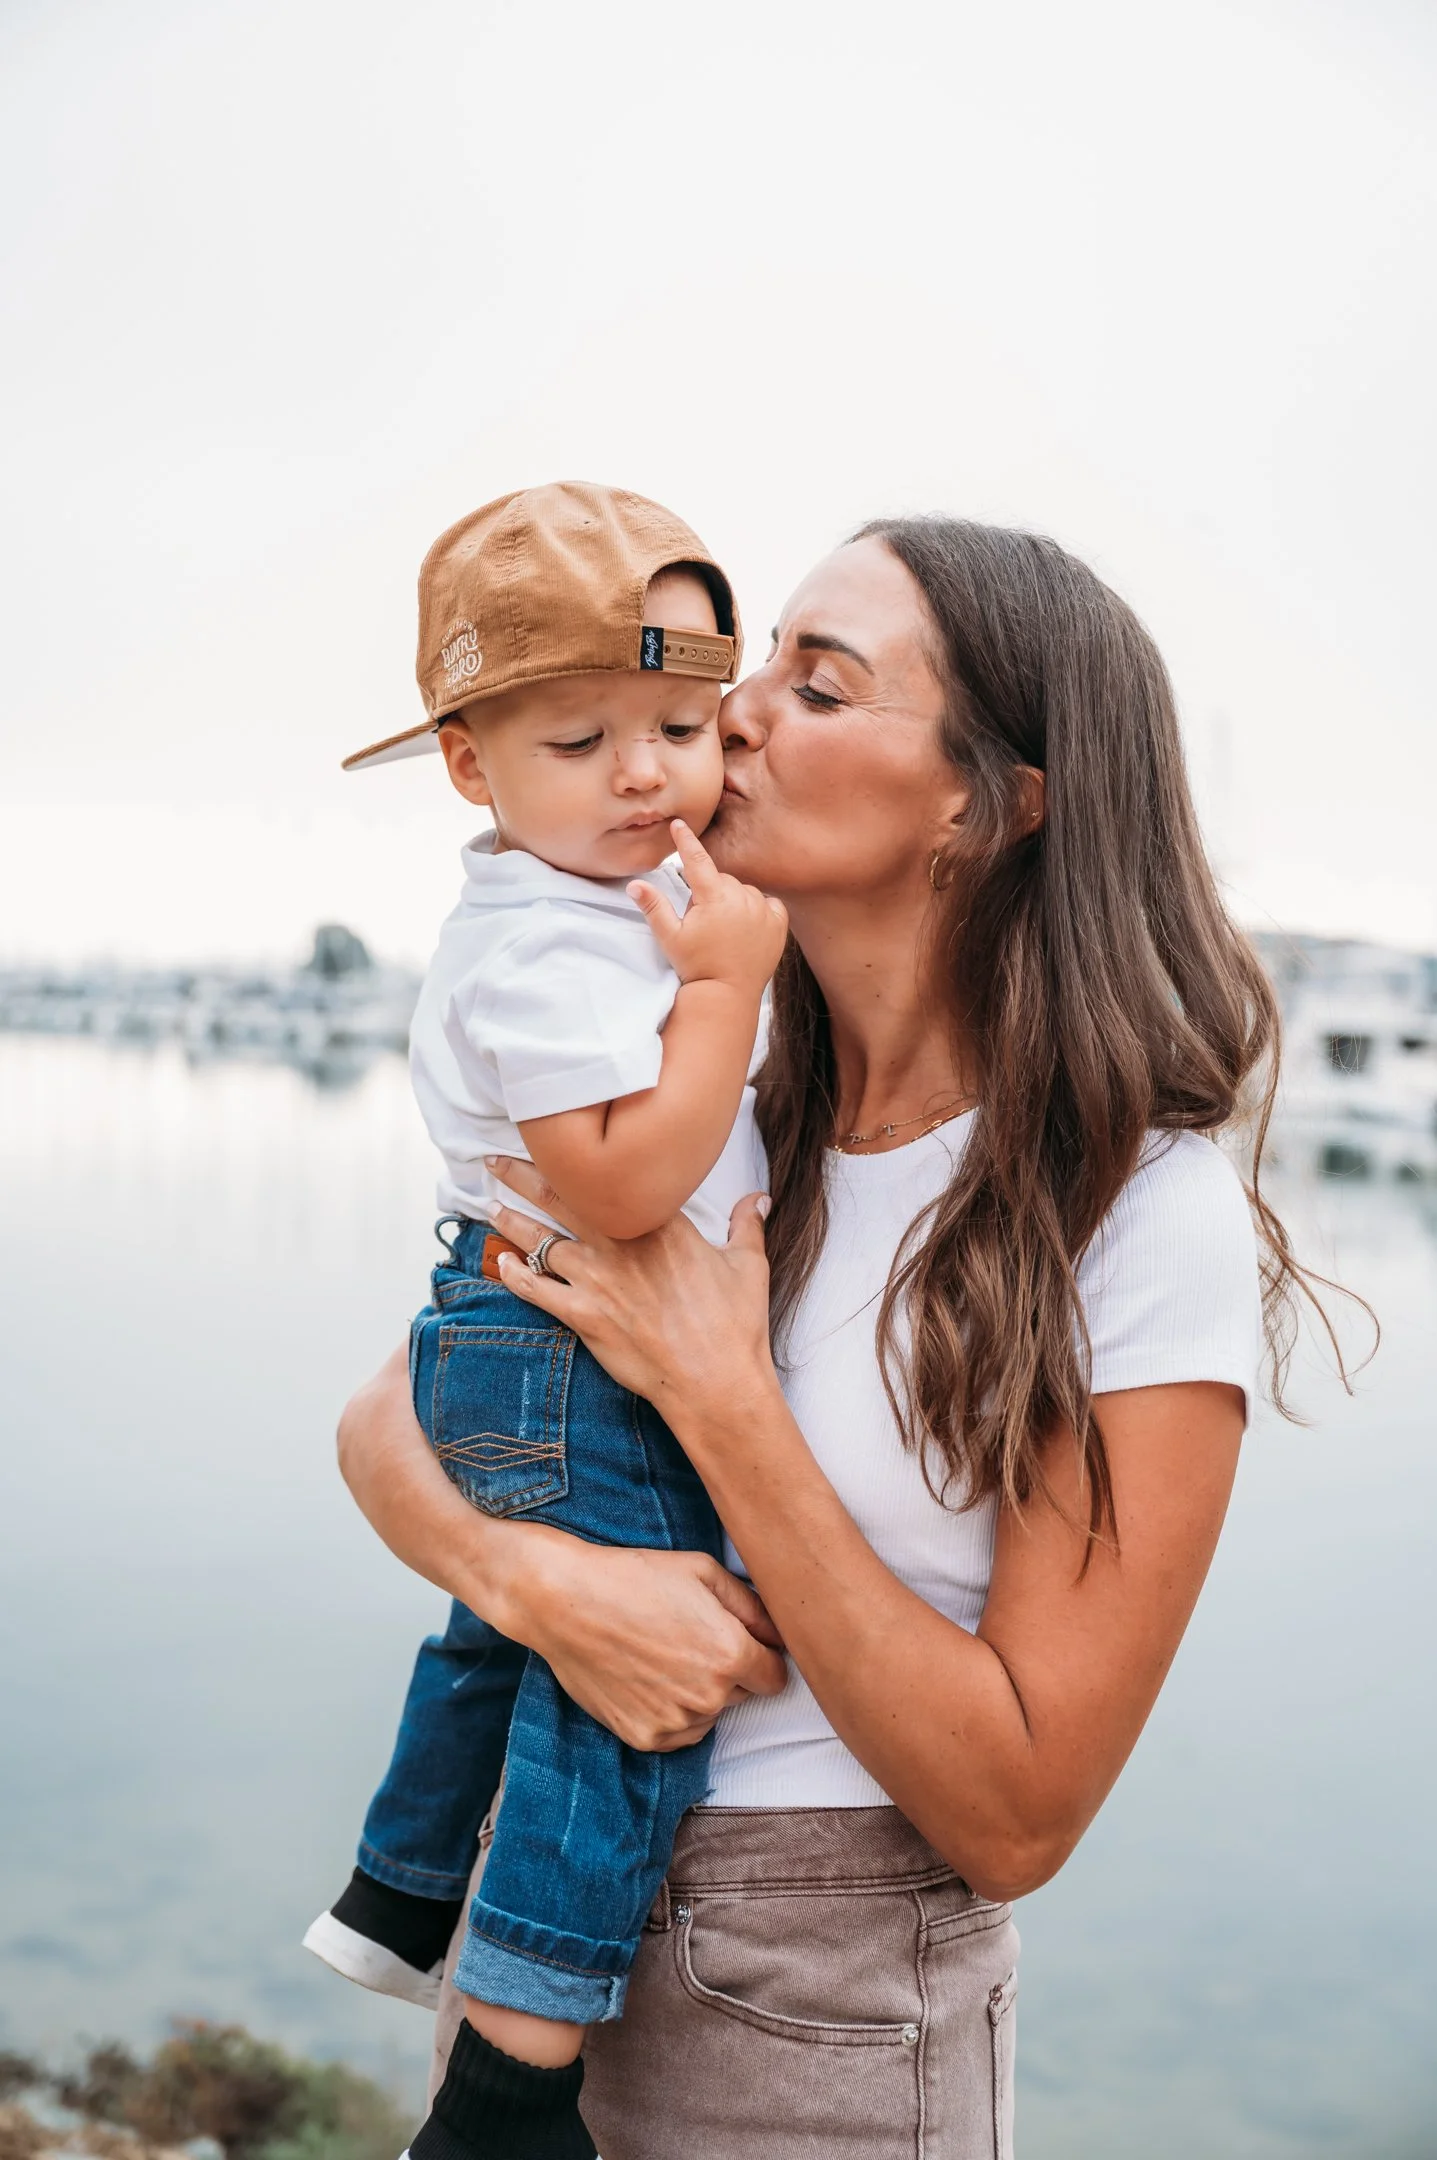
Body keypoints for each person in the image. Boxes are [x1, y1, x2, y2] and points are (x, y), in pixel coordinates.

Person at [336, 515, 1320, 2160]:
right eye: (761, 660)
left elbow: (1019, 1811)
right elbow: (393, 1417)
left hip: (823, 2002)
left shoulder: (1138, 1213)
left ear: (990, 802)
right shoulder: (709, 1107)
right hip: (541, 1946)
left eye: (822, 683)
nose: (732, 715)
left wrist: (725, 1405)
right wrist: (541, 1586)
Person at [303, 482, 786, 2160]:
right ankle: (510, 2086)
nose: (649, 775)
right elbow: (620, 1187)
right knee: (624, 1698)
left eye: (680, 723)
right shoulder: (548, 953)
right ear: (469, 763)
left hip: (516, 1339)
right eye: (581, 740)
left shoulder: (591, 910)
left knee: (503, 1637)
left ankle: (403, 1890)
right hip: (575, 1351)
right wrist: (730, 991)